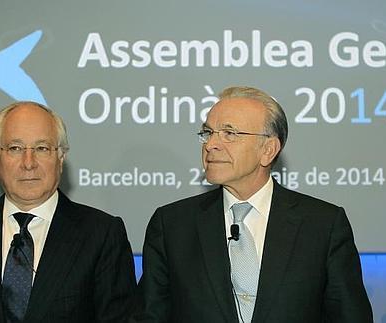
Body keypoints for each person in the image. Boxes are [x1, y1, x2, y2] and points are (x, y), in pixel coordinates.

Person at [132, 86, 373, 322]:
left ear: (268, 150)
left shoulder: (323, 225)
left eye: (229, 133)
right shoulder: (172, 225)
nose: (210, 144)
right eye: (208, 132)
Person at [0, 102, 136, 322]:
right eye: (15, 148)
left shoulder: (102, 234)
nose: (28, 163)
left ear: (60, 159)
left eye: (42, 148)